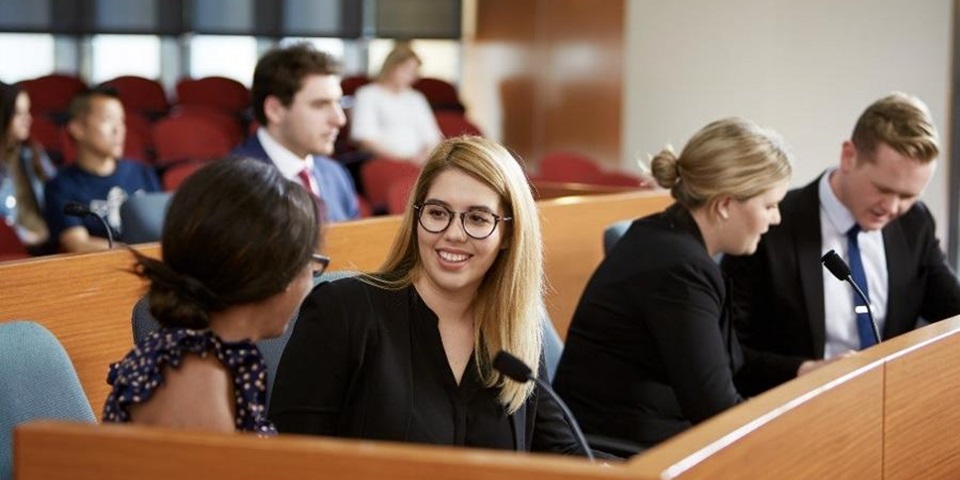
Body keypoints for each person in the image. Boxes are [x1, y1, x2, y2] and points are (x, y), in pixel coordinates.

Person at [269, 136, 587, 455]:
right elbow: (290, 459)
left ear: (508, 234)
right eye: (437, 213)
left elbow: (560, 450)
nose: (453, 233)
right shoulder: (343, 311)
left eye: (477, 219)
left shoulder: (515, 330)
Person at [553, 118, 792, 451]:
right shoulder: (681, 270)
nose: (776, 218)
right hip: (623, 454)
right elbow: (717, 413)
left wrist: (803, 369)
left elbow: (721, 362)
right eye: (769, 205)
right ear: (724, 205)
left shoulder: (663, 234)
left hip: (641, 437)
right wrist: (797, 428)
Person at [722, 93, 960, 396]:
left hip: (889, 405)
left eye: (908, 196)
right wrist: (804, 371)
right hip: (794, 409)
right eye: (883, 189)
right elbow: (730, 352)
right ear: (849, 156)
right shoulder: (770, 224)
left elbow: (952, 310)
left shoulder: (914, 222)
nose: (893, 207)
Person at [102, 157, 324, 433]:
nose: (310, 281)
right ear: (271, 273)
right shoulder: (193, 378)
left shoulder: (206, 357)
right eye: (310, 264)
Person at [233, 42, 360, 222]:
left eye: (338, 102)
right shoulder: (232, 187)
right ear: (275, 110)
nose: (340, 119)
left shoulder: (336, 175)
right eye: (320, 105)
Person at [43, 87, 161, 252]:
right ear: (78, 129)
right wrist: (138, 253)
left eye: (121, 121)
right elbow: (77, 243)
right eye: (108, 120)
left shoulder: (142, 173)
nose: (118, 129)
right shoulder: (61, 186)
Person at [349, 43, 443, 165]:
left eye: (414, 71)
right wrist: (404, 160)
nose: (412, 76)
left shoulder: (416, 98)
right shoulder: (367, 94)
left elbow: (432, 137)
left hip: (419, 163)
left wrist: (424, 158)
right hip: (383, 162)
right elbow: (365, 138)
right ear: (391, 68)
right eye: (407, 70)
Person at [0, 82, 56, 252]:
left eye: (28, 111)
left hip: (46, 243)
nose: (28, 119)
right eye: (19, 113)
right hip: (11, 249)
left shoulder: (33, 152)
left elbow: (57, 192)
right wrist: (24, 236)